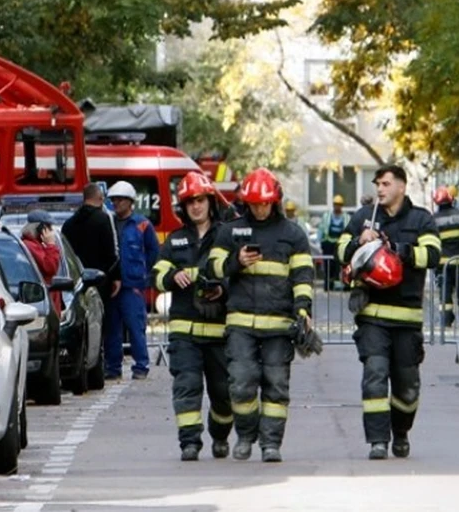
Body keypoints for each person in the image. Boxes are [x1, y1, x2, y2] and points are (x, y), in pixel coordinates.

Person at [206, 168, 314, 463]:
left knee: (276, 384)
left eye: (264, 203)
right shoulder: (231, 230)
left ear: (275, 201)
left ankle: (271, 443)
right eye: (254, 204)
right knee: (241, 383)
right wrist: (235, 262)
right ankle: (245, 435)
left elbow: (303, 275)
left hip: (279, 324)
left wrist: (303, 308)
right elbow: (212, 267)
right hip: (240, 322)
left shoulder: (292, 234)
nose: (260, 209)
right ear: (246, 203)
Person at [336, 165, 441, 460]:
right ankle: (377, 441)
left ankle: (401, 432)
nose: (380, 189)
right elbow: (340, 249)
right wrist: (359, 241)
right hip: (372, 316)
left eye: (385, 183)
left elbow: (433, 255)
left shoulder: (421, 219)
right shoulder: (363, 217)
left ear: (401, 187)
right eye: (377, 184)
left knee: (407, 388)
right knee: (375, 375)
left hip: (407, 317)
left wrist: (400, 249)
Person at [151, 172, 232, 461]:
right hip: (184, 331)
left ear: (210, 201)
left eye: (200, 200)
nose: (196, 206)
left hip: (219, 332)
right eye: (190, 202)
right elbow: (157, 275)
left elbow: (236, 274)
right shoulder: (175, 241)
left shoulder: (226, 235)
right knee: (187, 386)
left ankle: (220, 434)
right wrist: (173, 275)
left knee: (224, 394)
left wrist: (221, 289)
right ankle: (190, 442)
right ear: (183, 207)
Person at [104, 181, 160, 380]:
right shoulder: (108, 223)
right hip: (112, 285)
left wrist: (144, 275)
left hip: (133, 285)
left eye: (119, 200)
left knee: (136, 327)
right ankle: (112, 367)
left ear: (130, 202)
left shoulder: (142, 224)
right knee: (112, 328)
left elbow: (154, 251)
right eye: (113, 200)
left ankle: (141, 366)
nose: (116, 203)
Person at [63, 183, 122, 302]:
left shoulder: (69, 224)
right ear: (101, 199)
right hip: (100, 281)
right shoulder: (103, 219)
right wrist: (116, 277)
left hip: (76, 281)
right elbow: (110, 252)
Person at [432, 186, 459, 327]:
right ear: (451, 200)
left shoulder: (433, 220)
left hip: (442, 264)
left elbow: (432, 241)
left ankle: (446, 320)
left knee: (445, 293)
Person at [319, 195, 350, 291]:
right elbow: (321, 229)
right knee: (328, 266)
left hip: (340, 245)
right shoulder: (327, 216)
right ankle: (328, 285)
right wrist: (319, 242)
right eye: (336, 204)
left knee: (339, 265)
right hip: (328, 244)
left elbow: (349, 230)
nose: (337, 207)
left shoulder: (346, 217)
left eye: (339, 205)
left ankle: (340, 285)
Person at [21, 211, 61, 283]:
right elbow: (50, 268)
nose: (51, 230)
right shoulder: (31, 246)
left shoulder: (37, 244)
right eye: (49, 227)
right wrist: (51, 244)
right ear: (41, 229)